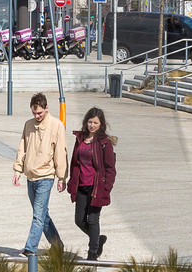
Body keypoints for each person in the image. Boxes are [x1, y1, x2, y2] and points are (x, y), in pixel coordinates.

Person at [13, 91, 70, 256]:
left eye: (39, 112)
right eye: (34, 113)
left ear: (46, 108)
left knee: (37, 216)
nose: (36, 116)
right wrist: (17, 170)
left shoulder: (56, 125)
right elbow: (22, 147)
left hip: (46, 176)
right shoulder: (28, 125)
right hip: (30, 176)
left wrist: (62, 177)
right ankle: (57, 244)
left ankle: (30, 248)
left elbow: (61, 152)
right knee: (42, 214)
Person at [71, 106, 117, 260]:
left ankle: (92, 254)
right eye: (90, 122)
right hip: (81, 186)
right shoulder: (80, 139)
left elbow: (111, 168)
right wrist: (72, 181)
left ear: (101, 124)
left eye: (95, 123)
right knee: (79, 220)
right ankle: (98, 239)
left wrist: (107, 187)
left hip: (96, 187)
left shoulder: (104, 143)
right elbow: (74, 163)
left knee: (93, 220)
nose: (92, 125)